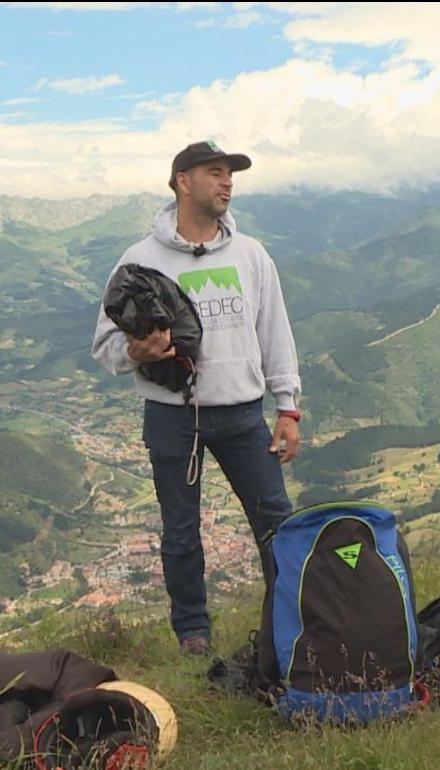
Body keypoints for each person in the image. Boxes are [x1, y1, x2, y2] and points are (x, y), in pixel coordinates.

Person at [92, 140, 302, 656]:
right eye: (215, 172)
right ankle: (193, 634)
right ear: (183, 181)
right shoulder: (140, 259)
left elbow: (275, 331)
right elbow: (105, 346)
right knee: (181, 532)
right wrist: (139, 351)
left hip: (242, 412)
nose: (227, 182)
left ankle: (290, 619)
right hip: (172, 417)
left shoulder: (251, 254)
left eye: (230, 174)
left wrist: (288, 406)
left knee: (276, 522)